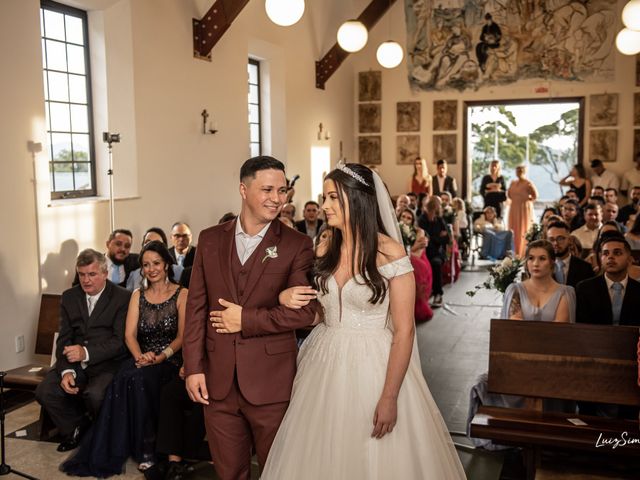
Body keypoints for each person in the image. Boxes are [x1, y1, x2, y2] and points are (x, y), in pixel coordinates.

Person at [260, 162, 466, 479]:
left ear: (356, 199)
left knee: (372, 454)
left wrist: (389, 397)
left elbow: (404, 331)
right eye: (324, 198)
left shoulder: (390, 253)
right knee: (322, 450)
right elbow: (321, 313)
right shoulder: (325, 245)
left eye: (332, 198)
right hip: (324, 360)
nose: (325, 206)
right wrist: (286, 298)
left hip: (374, 363)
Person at [183, 156, 317, 480]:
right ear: (243, 190)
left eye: (282, 190)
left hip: (272, 382)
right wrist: (194, 367)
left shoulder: (297, 245)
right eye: (267, 189)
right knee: (229, 473)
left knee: (278, 471)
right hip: (217, 383)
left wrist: (248, 319)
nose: (277, 198)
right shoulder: (211, 239)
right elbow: (196, 308)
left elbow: (307, 312)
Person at [61, 241, 187, 476]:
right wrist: (140, 357)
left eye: (156, 263)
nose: (151, 269)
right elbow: (129, 335)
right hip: (142, 357)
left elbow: (182, 337)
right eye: (146, 265)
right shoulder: (138, 295)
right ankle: (136, 447)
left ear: (166, 264)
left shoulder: (182, 294)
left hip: (169, 359)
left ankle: (149, 450)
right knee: (128, 376)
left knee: (140, 380)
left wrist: (159, 357)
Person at [35, 249, 131, 452]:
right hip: (74, 362)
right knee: (45, 391)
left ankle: (105, 434)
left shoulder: (123, 297)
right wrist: (66, 370)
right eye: (81, 274)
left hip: (107, 362)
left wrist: (85, 352)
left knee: (95, 395)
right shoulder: (70, 296)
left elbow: (120, 342)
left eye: (92, 274)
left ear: (105, 273)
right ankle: (76, 428)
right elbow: (64, 339)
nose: (86, 280)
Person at [501, 239, 575, 322]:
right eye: (531, 258)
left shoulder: (564, 293)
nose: (535, 264)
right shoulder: (515, 291)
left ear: (552, 262)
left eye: (542, 259)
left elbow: (559, 328)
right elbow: (516, 326)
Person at [576, 235, 640, 326]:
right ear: (601, 260)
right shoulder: (585, 289)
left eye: (617, 253)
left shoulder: (638, 289)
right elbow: (581, 327)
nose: (610, 257)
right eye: (605, 253)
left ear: (629, 260)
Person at [418, 197, 449, 308]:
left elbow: (447, 239)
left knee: (436, 263)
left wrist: (434, 239)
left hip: (437, 253)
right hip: (424, 252)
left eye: (434, 210)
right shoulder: (421, 220)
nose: (432, 213)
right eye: (430, 210)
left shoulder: (440, 220)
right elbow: (424, 238)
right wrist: (438, 238)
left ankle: (438, 294)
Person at [546, 221, 594, 289]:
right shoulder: (543, 266)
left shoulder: (585, 268)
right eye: (551, 239)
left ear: (569, 239)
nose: (555, 243)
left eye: (560, 238)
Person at [508, 165, 538, 257]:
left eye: (521, 170)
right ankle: (513, 251)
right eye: (517, 170)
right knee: (513, 229)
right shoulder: (513, 183)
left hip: (523, 209)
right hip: (514, 208)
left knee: (523, 229)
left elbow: (535, 196)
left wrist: (526, 200)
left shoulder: (528, 183)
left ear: (524, 172)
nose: (519, 172)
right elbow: (509, 195)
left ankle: (523, 252)